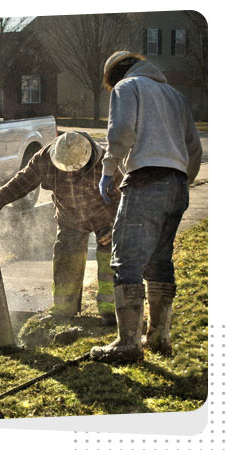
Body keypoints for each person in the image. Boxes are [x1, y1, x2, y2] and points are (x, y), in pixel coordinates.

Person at [90, 51, 202, 363]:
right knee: (159, 262)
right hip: (178, 185)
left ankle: (128, 343)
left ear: (115, 77)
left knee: (126, 260)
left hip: (145, 181)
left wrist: (110, 173)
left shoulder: (128, 88)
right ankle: (159, 337)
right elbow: (194, 146)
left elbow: (122, 132)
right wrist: (181, 179)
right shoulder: (175, 95)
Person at [0, 131, 122, 321]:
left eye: (73, 169)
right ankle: (64, 311)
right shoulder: (45, 158)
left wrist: (115, 225)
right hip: (70, 218)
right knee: (66, 261)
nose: (68, 173)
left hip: (105, 217)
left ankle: (111, 313)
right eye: (64, 169)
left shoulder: (107, 164)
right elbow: (22, 182)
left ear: (87, 158)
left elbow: (125, 199)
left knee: (110, 261)